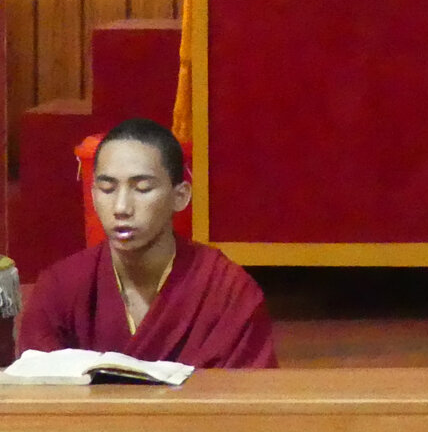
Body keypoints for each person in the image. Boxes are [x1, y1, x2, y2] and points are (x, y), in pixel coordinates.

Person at [19, 118, 277, 368]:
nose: (121, 208)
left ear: (180, 196)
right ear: (93, 194)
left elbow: (247, 399)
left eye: (142, 188)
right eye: (108, 189)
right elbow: (39, 393)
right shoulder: (61, 289)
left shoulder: (227, 292)